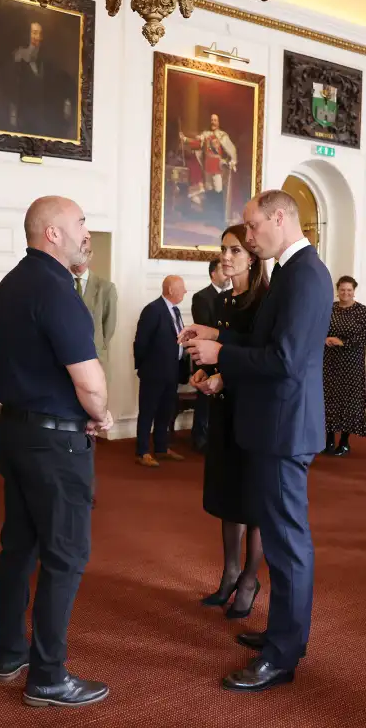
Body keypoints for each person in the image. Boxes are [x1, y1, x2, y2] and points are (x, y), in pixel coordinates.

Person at [181, 190, 334, 693]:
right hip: (275, 425)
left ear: (279, 218)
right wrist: (216, 334)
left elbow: (285, 360)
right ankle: (281, 635)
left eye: (251, 227)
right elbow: (267, 344)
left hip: (285, 428)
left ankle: (284, 655)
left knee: (289, 546)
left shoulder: (307, 274)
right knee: (283, 538)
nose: (247, 237)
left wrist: (220, 352)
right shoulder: (292, 272)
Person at [0, 195, 112, 707]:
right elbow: (88, 381)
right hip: (56, 441)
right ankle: (47, 675)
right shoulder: (58, 290)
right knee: (65, 555)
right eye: (81, 223)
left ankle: (10, 654)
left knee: (20, 546)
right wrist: (103, 413)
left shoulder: (10, 283)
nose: (88, 231)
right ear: (53, 234)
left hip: (14, 432)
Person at [189, 225, 267, 619]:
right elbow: (217, 352)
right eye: (223, 250)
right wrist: (203, 375)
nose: (226, 256)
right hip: (223, 407)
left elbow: (263, 360)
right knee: (227, 497)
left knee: (253, 502)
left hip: (253, 411)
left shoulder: (262, 301)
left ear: (252, 256)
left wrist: (226, 375)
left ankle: (250, 579)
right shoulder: (223, 302)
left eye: (235, 249)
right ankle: (230, 572)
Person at [71, 244, 118, 506]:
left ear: (91, 256)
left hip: (95, 367)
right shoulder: (60, 285)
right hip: (65, 370)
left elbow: (107, 331)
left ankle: (87, 488)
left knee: (90, 430)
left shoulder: (105, 288)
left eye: (86, 253)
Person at [133, 276, 190, 467]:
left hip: (172, 371)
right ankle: (142, 452)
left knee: (165, 412)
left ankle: (161, 448)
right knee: (148, 412)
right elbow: (140, 343)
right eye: (182, 288)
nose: (185, 291)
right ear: (171, 290)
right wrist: (144, 367)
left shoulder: (175, 310)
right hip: (154, 373)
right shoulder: (153, 310)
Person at [322, 277, 366, 456]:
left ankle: (344, 442)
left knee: (349, 402)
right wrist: (324, 339)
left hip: (352, 363)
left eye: (349, 290)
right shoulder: (328, 309)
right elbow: (317, 328)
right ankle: (328, 440)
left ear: (354, 291)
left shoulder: (363, 311)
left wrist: (342, 342)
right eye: (342, 290)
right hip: (329, 362)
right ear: (338, 290)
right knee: (328, 400)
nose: (346, 293)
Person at [6, 22, 76, 141]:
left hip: (41, 118)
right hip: (23, 117)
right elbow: (12, 89)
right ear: (27, 35)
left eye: (40, 34)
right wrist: (13, 115)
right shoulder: (17, 59)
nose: (37, 37)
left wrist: (67, 102)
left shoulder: (45, 61)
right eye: (34, 33)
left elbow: (60, 81)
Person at [190, 256, 232, 452]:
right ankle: (199, 438)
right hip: (206, 355)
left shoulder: (231, 297)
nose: (227, 273)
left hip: (225, 353)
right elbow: (204, 325)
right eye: (222, 270)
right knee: (204, 399)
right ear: (213, 274)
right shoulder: (201, 297)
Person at [180, 113, 238, 226]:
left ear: (218, 122)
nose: (213, 122)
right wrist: (185, 139)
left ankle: (219, 219)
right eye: (211, 120)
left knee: (218, 191)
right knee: (210, 191)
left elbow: (231, 149)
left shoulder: (222, 136)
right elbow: (197, 144)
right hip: (208, 168)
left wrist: (232, 160)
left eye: (215, 120)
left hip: (218, 168)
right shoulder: (205, 135)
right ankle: (211, 217)